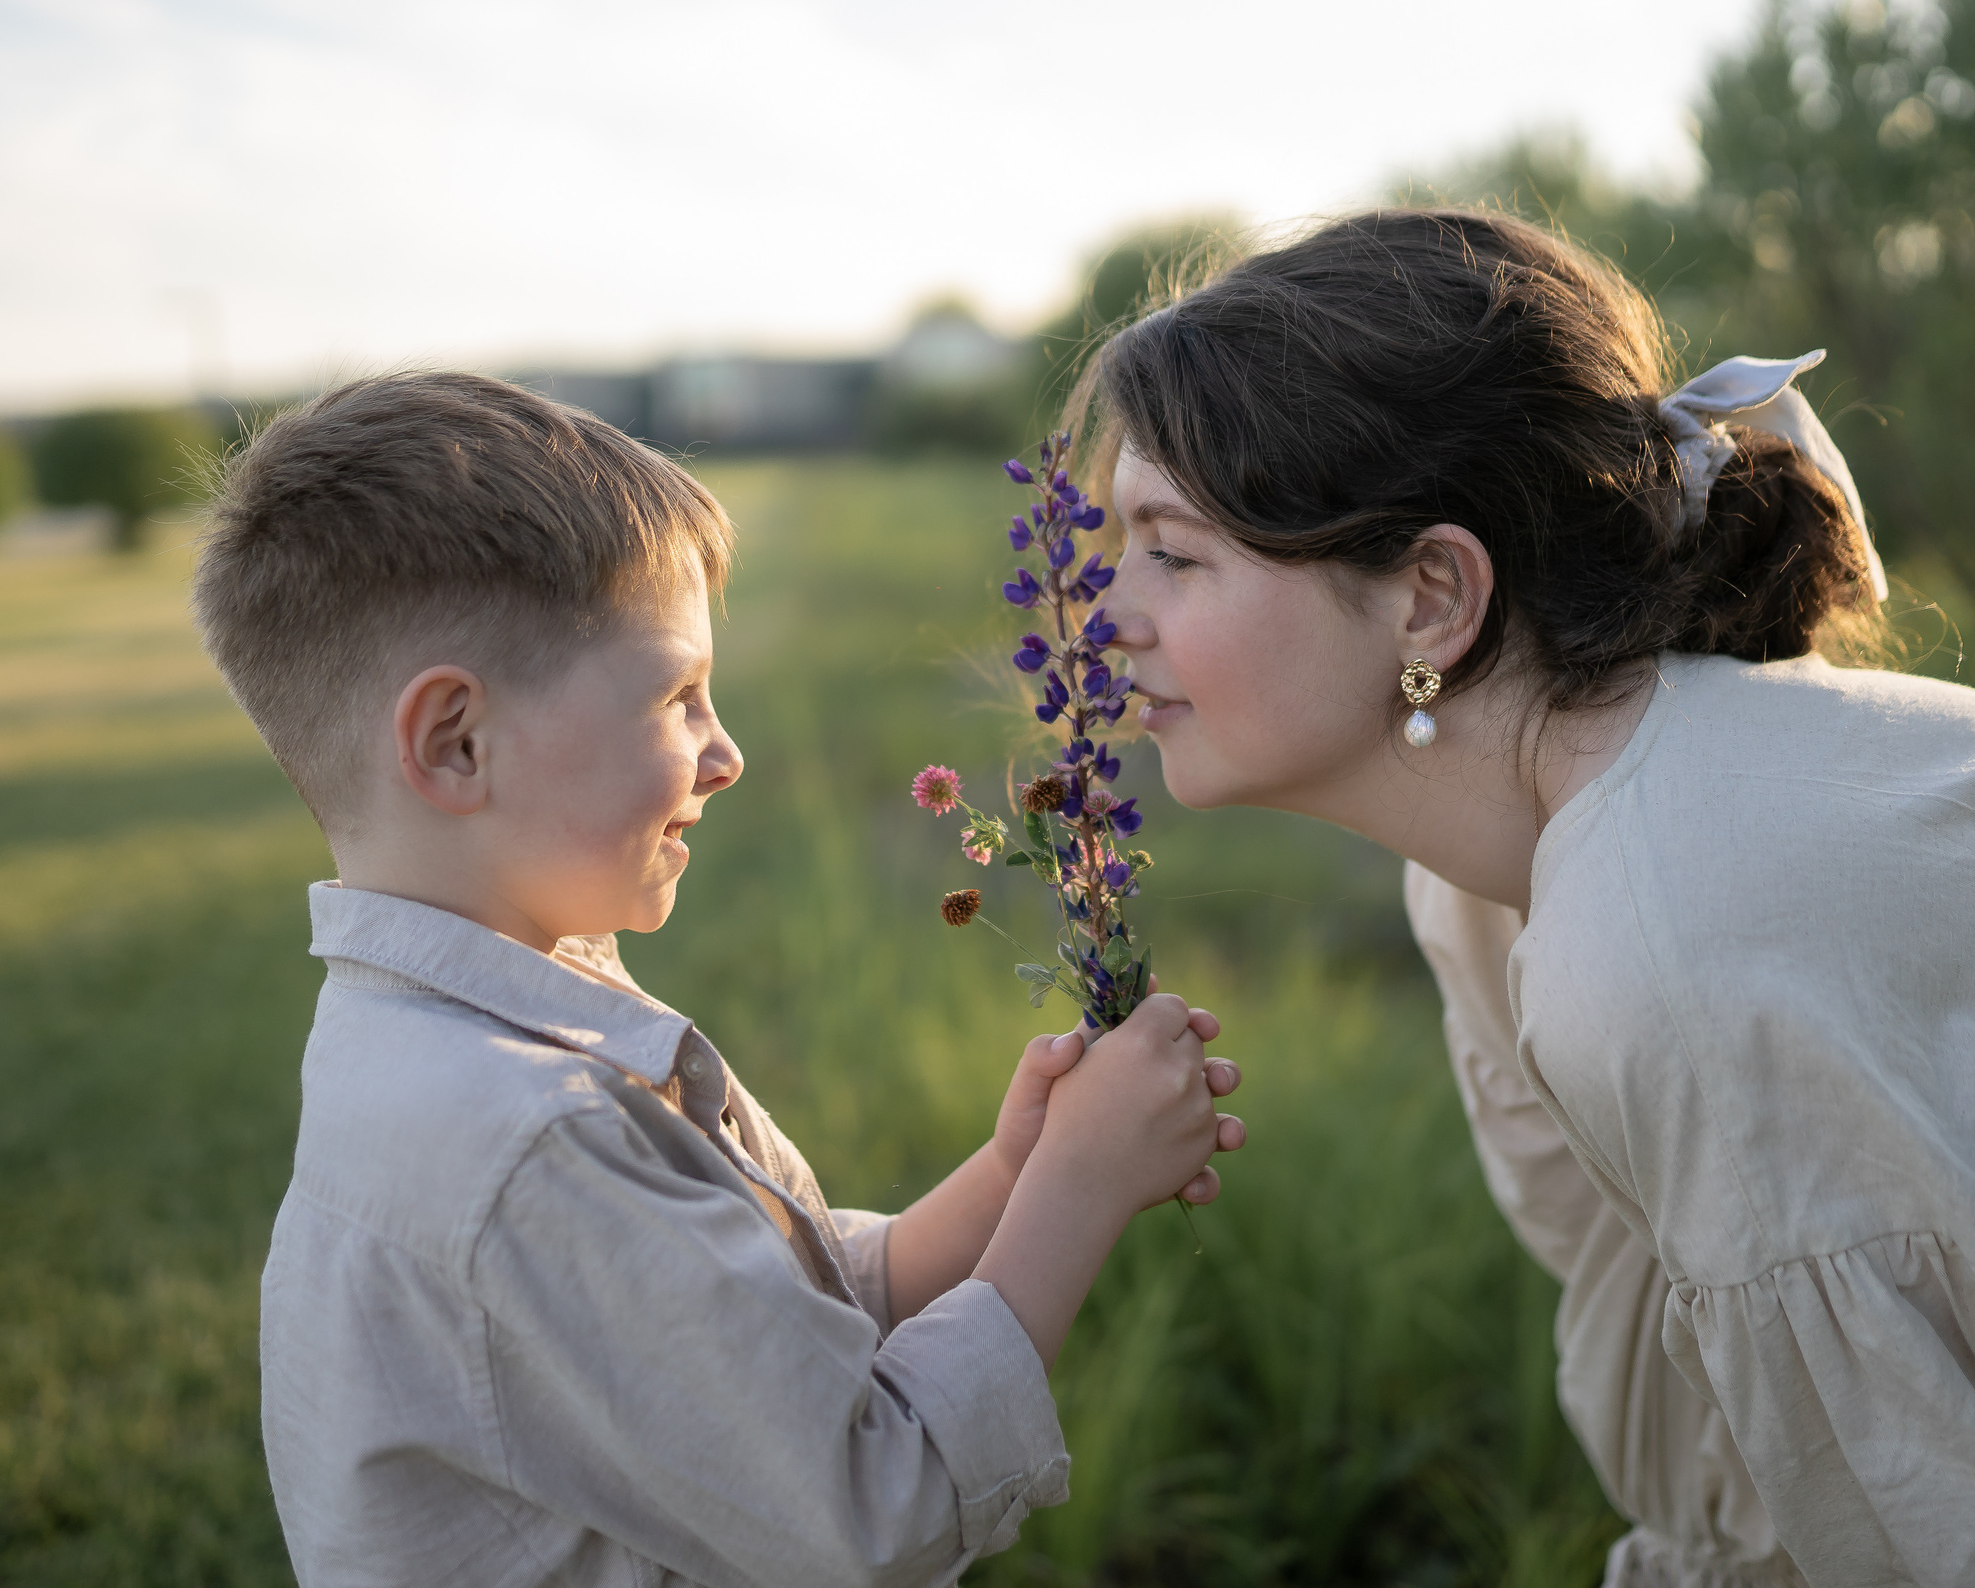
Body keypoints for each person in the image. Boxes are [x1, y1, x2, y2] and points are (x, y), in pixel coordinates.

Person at [1078, 207, 1975, 1586]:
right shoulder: (1493, 872)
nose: (1102, 611)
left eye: (1172, 550)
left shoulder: (1665, 942)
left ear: (1433, 596)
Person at [190, 372, 1244, 1587]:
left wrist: (1013, 1173)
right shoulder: (529, 1140)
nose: (726, 753)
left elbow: (778, 1333)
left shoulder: (461, 1045)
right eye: (679, 696)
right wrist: (1079, 1188)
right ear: (457, 743)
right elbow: (868, 1512)